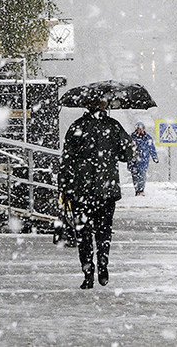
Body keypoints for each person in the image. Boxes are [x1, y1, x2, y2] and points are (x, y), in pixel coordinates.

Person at [59, 99, 134, 289]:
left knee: (83, 235)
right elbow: (128, 154)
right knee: (104, 232)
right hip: (106, 192)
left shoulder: (77, 127)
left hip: (81, 192)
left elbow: (66, 160)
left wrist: (65, 189)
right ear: (104, 106)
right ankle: (103, 264)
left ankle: (87, 273)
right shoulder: (113, 126)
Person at [128, 122, 158, 196]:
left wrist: (155, 157)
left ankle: (141, 190)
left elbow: (152, 148)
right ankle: (137, 190)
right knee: (135, 176)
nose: (140, 131)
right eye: (138, 129)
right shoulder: (132, 137)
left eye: (141, 129)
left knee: (142, 175)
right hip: (134, 161)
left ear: (144, 129)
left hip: (143, 161)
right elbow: (128, 148)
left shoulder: (148, 138)